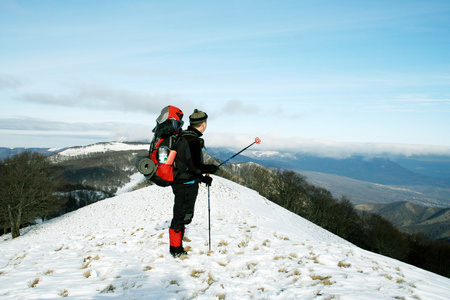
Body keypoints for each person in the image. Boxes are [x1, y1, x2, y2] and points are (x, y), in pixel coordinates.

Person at [168, 109, 218, 257]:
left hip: (183, 181)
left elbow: (186, 165)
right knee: (181, 216)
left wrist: (202, 178)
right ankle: (176, 250)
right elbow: (195, 167)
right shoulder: (193, 140)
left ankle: (177, 245)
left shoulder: (185, 136)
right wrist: (210, 168)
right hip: (185, 184)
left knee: (182, 215)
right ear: (203, 124)